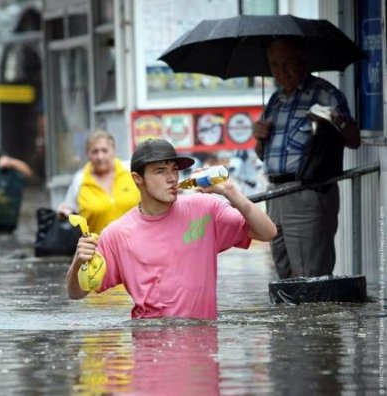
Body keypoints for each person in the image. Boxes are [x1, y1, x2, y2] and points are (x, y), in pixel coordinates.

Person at [66, 139, 277, 320]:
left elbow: (267, 232)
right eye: (160, 171)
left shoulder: (205, 208)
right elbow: (77, 293)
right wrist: (77, 262)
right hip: (150, 349)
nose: (171, 178)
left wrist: (231, 192)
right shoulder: (117, 234)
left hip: (202, 352)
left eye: (174, 170)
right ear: (137, 179)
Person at [252, 38, 361, 279]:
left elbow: (354, 140)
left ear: (302, 60)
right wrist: (258, 138)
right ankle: (294, 319)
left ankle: (319, 318)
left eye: (288, 62)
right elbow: (263, 154)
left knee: (310, 275)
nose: (282, 71)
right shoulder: (275, 100)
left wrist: (335, 119)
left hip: (307, 191)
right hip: (275, 194)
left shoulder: (324, 93)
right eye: (275, 65)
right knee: (284, 275)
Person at [57, 129, 141, 235]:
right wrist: (63, 213)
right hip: (97, 248)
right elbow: (69, 208)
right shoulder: (80, 179)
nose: (100, 157)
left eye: (104, 151)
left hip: (134, 244)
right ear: (88, 153)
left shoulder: (130, 171)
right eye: (95, 151)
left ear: (114, 150)